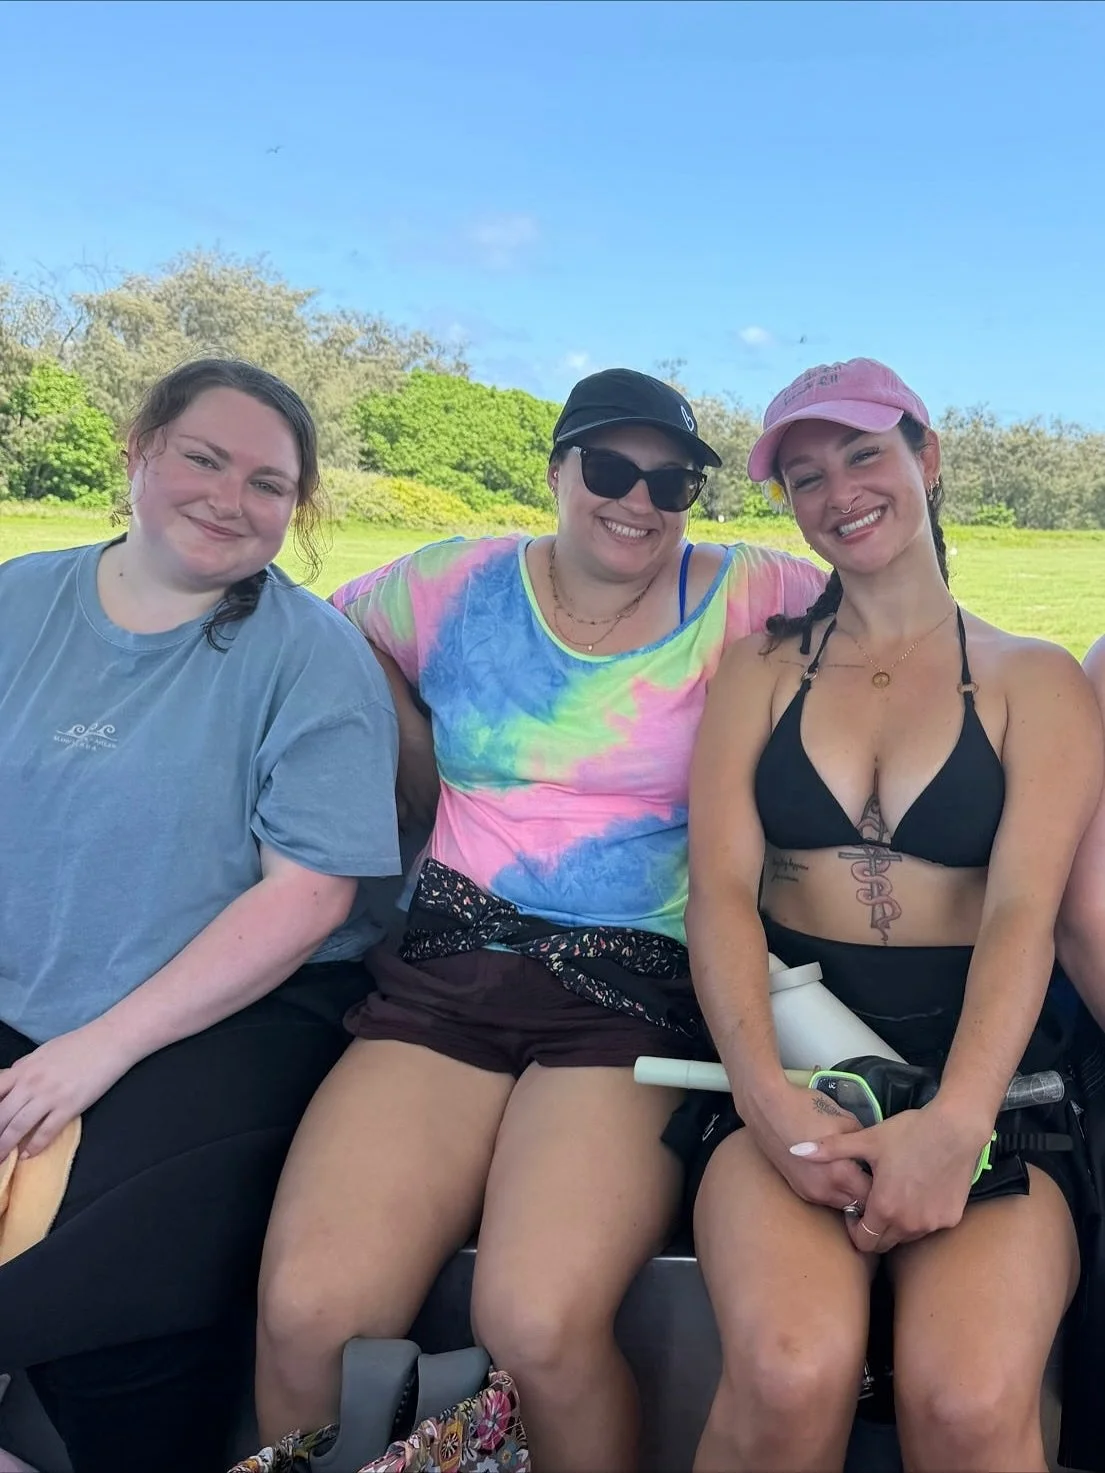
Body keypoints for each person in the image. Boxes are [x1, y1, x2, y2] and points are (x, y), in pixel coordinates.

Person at [253, 368, 826, 1472]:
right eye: (609, 470)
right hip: (447, 970)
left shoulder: (747, 590)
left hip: (635, 988)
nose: (639, 501)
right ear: (557, 472)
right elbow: (322, 634)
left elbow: (908, 621)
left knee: (537, 1321)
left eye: (672, 481)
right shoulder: (457, 582)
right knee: (306, 1312)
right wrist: (410, 749)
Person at [682, 358, 1102, 1473]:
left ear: (926, 456)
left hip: (988, 1070)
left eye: (863, 453)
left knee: (966, 1401)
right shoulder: (757, 672)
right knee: (787, 1369)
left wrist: (958, 1122)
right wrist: (764, 1097)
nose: (838, 492)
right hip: (790, 1054)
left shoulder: (1035, 680)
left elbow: (1025, 909)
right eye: (804, 476)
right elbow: (720, 890)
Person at [0, 359, 401, 1473]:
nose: (231, 499)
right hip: (23, 987)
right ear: (139, 451)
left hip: (231, 1014)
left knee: (116, 1292)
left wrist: (95, 1051)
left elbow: (309, 894)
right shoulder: (17, 601)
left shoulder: (310, 656)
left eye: (269, 484)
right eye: (205, 459)